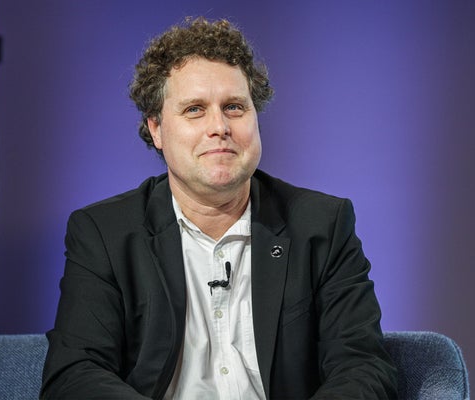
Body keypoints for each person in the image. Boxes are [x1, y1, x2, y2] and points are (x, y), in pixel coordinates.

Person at [40, 17, 397, 400]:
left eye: (234, 107)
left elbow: (364, 366)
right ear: (157, 129)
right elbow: (75, 375)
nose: (220, 127)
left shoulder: (321, 226)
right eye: (195, 109)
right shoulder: (104, 233)